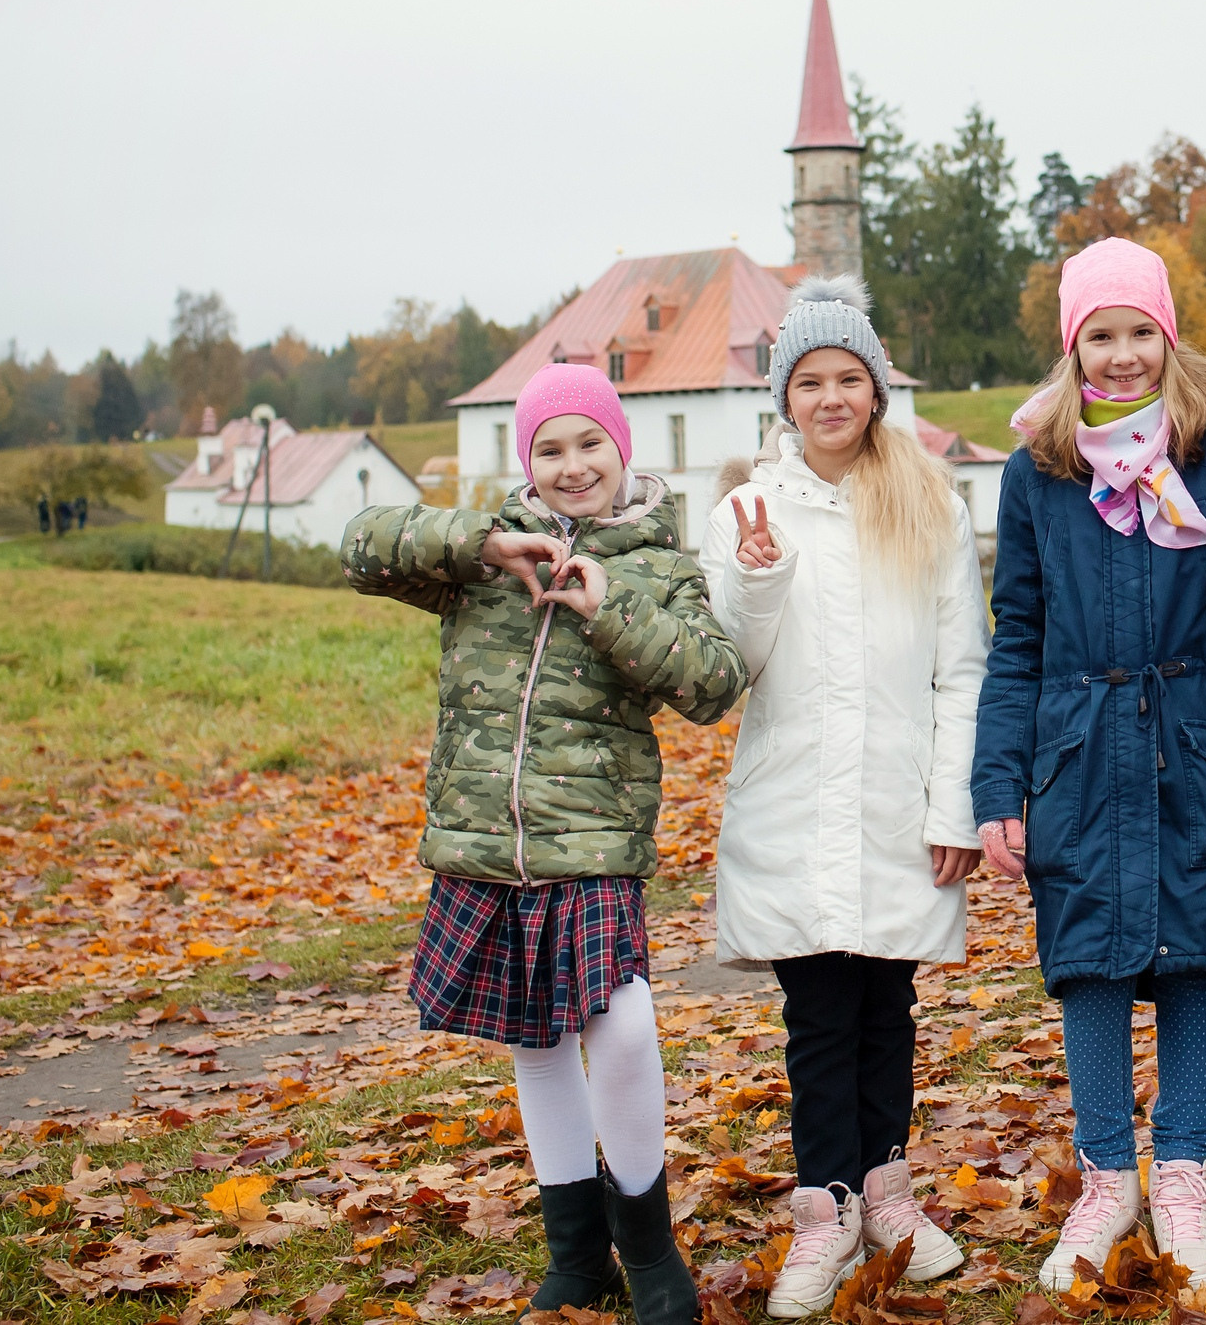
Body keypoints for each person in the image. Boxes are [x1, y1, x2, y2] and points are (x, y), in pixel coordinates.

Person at [341, 362, 746, 1325]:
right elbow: (361, 547)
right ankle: (576, 1253)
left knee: (624, 1023)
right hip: (485, 842)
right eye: (550, 448)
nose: (572, 466)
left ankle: (648, 1249)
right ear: (527, 460)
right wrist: (480, 540)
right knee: (536, 1039)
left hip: (595, 839)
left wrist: (612, 609)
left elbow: (714, 683)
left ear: (622, 449)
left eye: (589, 443)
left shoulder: (659, 565)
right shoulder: (480, 560)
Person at [971, 237, 1206, 1292]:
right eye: (1098, 336)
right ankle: (1108, 1177)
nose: (1121, 356)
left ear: (1168, 335)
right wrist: (996, 792)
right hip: (1079, 750)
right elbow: (1015, 634)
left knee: (1194, 960)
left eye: (1138, 333)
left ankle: (1185, 1176)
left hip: (1198, 739)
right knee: (1094, 967)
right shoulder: (1038, 471)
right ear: (1072, 348)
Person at [703, 278, 988, 1317]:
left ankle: (888, 1193)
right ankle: (822, 1214)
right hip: (792, 801)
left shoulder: (930, 505)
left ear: (874, 391)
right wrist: (758, 577)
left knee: (887, 1007)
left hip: (894, 803)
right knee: (818, 1013)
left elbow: (963, 668)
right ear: (785, 397)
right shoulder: (748, 509)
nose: (831, 398)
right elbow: (726, 664)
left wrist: (953, 807)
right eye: (810, 381)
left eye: (849, 378)